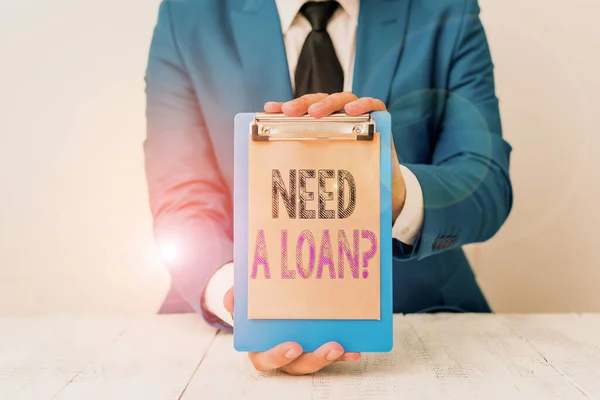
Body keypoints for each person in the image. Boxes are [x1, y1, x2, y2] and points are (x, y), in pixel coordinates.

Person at [144, 0, 513, 375]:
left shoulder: (444, 10)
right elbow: (181, 194)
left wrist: (399, 195)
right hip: (214, 335)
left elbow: (486, 180)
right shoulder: (188, 13)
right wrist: (239, 298)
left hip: (423, 323)